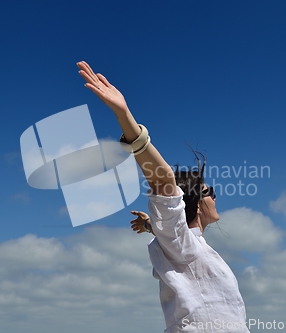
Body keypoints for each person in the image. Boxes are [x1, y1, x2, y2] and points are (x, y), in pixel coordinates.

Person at [77, 61, 249, 333]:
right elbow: (162, 180)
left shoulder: (183, 243)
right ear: (194, 203)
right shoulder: (184, 245)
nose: (215, 196)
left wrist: (149, 226)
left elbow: (171, 228)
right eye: (209, 192)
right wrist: (126, 117)